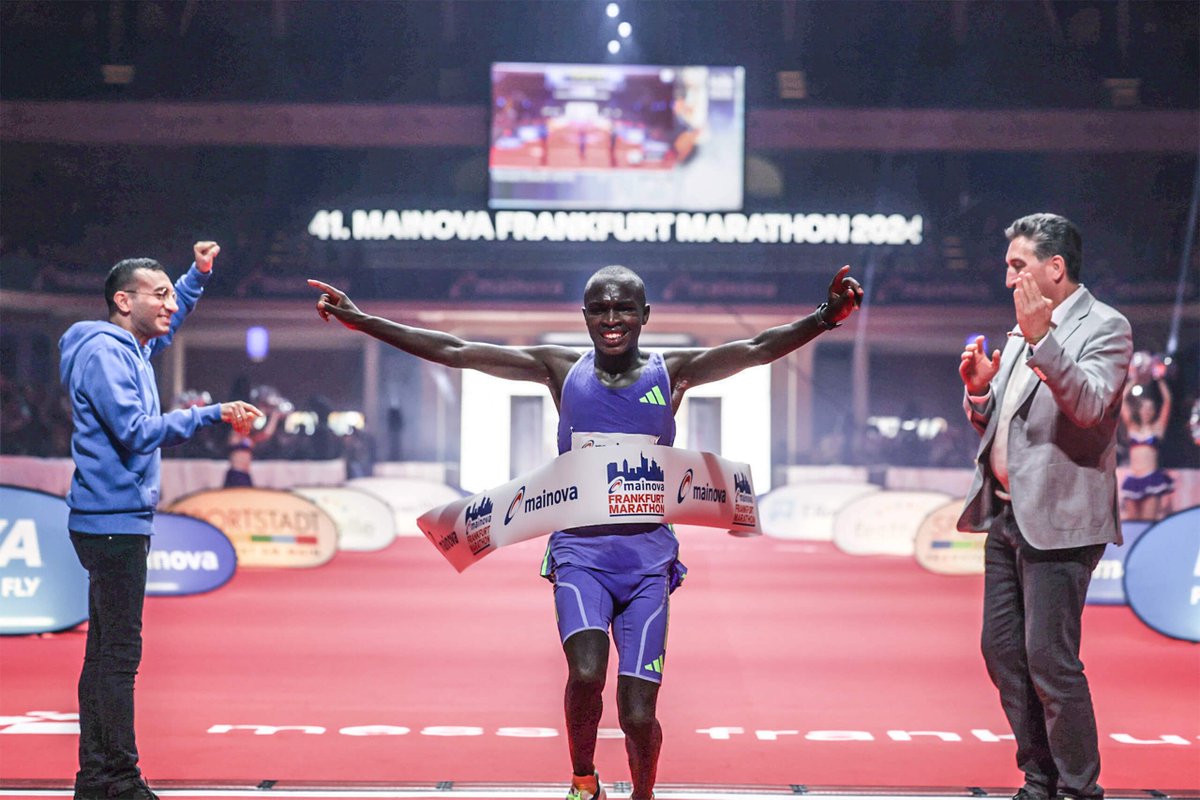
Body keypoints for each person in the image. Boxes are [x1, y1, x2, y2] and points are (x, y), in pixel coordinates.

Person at [309, 264, 862, 800]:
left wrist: (825, 316)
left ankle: (643, 794)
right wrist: (365, 321)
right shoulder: (559, 369)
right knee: (587, 672)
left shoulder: (672, 372)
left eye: (624, 307)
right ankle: (583, 780)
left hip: (649, 562)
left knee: (639, 713)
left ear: (645, 314)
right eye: (600, 308)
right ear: (584, 316)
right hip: (580, 556)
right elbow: (457, 352)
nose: (612, 317)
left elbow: (757, 349)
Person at [60, 242, 262, 800]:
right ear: (123, 302)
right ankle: (116, 780)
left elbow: (170, 321)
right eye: (161, 295)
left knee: (105, 653)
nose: (171, 305)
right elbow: (135, 429)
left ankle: (98, 778)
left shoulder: (127, 348)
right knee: (118, 656)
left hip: (112, 518)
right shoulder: (106, 354)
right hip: (112, 521)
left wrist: (195, 276)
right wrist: (212, 413)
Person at [957, 214, 1132, 800]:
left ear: (1054, 268)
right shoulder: (1022, 332)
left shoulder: (1106, 326)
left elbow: (1088, 406)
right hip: (1006, 514)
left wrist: (1040, 340)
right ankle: (1040, 777)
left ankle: (1081, 790)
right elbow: (1006, 423)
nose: (1009, 279)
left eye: (1018, 265)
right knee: (1002, 651)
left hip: (1060, 521)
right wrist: (981, 390)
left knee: (1050, 661)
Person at [1120, 377, 1174, 520]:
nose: (1147, 411)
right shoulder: (1132, 426)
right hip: (1134, 479)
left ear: (1154, 411)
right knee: (1132, 522)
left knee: (1147, 521)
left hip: (1151, 479)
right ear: (1139, 410)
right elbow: (1122, 402)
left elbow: (1167, 402)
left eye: (1150, 408)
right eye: (1144, 408)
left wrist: (1160, 380)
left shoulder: (1157, 429)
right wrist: (1133, 380)